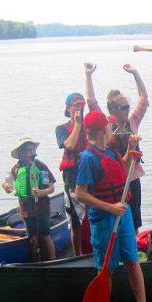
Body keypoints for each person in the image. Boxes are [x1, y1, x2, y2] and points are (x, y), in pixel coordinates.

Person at [74, 110, 151, 302]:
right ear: (102, 130)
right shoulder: (88, 158)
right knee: (106, 267)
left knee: (131, 260)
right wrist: (110, 208)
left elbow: (121, 171)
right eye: (108, 126)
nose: (111, 128)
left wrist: (130, 151)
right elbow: (80, 193)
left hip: (122, 214)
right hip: (104, 218)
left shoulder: (108, 151)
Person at [85, 62, 149, 233]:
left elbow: (143, 99)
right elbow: (91, 103)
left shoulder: (133, 121)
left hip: (132, 176)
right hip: (113, 179)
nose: (128, 110)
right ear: (113, 110)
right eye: (124, 107)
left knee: (134, 219)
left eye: (128, 106)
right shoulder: (106, 124)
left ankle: (134, 248)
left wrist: (135, 73)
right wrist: (88, 75)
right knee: (115, 217)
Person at [3, 138, 57, 261]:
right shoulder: (16, 169)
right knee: (33, 238)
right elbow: (6, 181)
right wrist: (6, 186)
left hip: (41, 207)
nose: (32, 152)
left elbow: (51, 188)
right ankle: (35, 259)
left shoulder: (40, 166)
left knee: (45, 235)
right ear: (20, 153)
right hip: (26, 208)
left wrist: (42, 192)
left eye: (33, 149)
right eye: (28, 150)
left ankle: (53, 259)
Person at [56, 92, 89, 256]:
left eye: (81, 103)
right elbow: (68, 145)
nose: (78, 106)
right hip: (72, 180)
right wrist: (77, 125)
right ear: (68, 108)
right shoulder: (61, 129)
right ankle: (78, 256)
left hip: (90, 178)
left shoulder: (89, 126)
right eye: (74, 104)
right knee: (76, 223)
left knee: (93, 218)